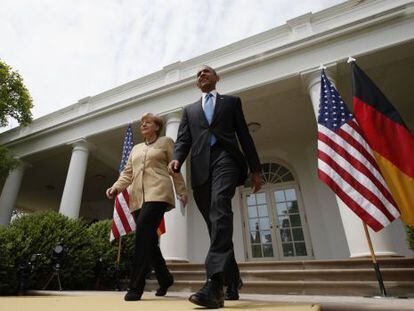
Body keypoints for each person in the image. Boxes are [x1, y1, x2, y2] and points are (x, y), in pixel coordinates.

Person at [168, 65, 262, 308]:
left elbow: (244, 135)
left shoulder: (231, 102)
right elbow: (183, 140)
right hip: (200, 167)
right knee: (215, 224)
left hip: (227, 159)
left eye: (206, 71)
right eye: (198, 74)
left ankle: (214, 284)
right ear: (197, 84)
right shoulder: (189, 111)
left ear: (216, 78)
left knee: (220, 207)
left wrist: (256, 169)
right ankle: (233, 280)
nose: (201, 75)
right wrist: (177, 157)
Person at [106, 113, 188, 301]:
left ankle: (136, 287)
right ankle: (165, 278)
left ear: (157, 127)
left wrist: (182, 191)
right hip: (137, 198)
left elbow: (174, 169)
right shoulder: (136, 148)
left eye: (148, 122)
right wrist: (115, 188)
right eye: (142, 122)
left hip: (158, 193)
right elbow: (127, 173)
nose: (143, 124)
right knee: (149, 242)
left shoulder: (166, 142)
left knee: (143, 232)